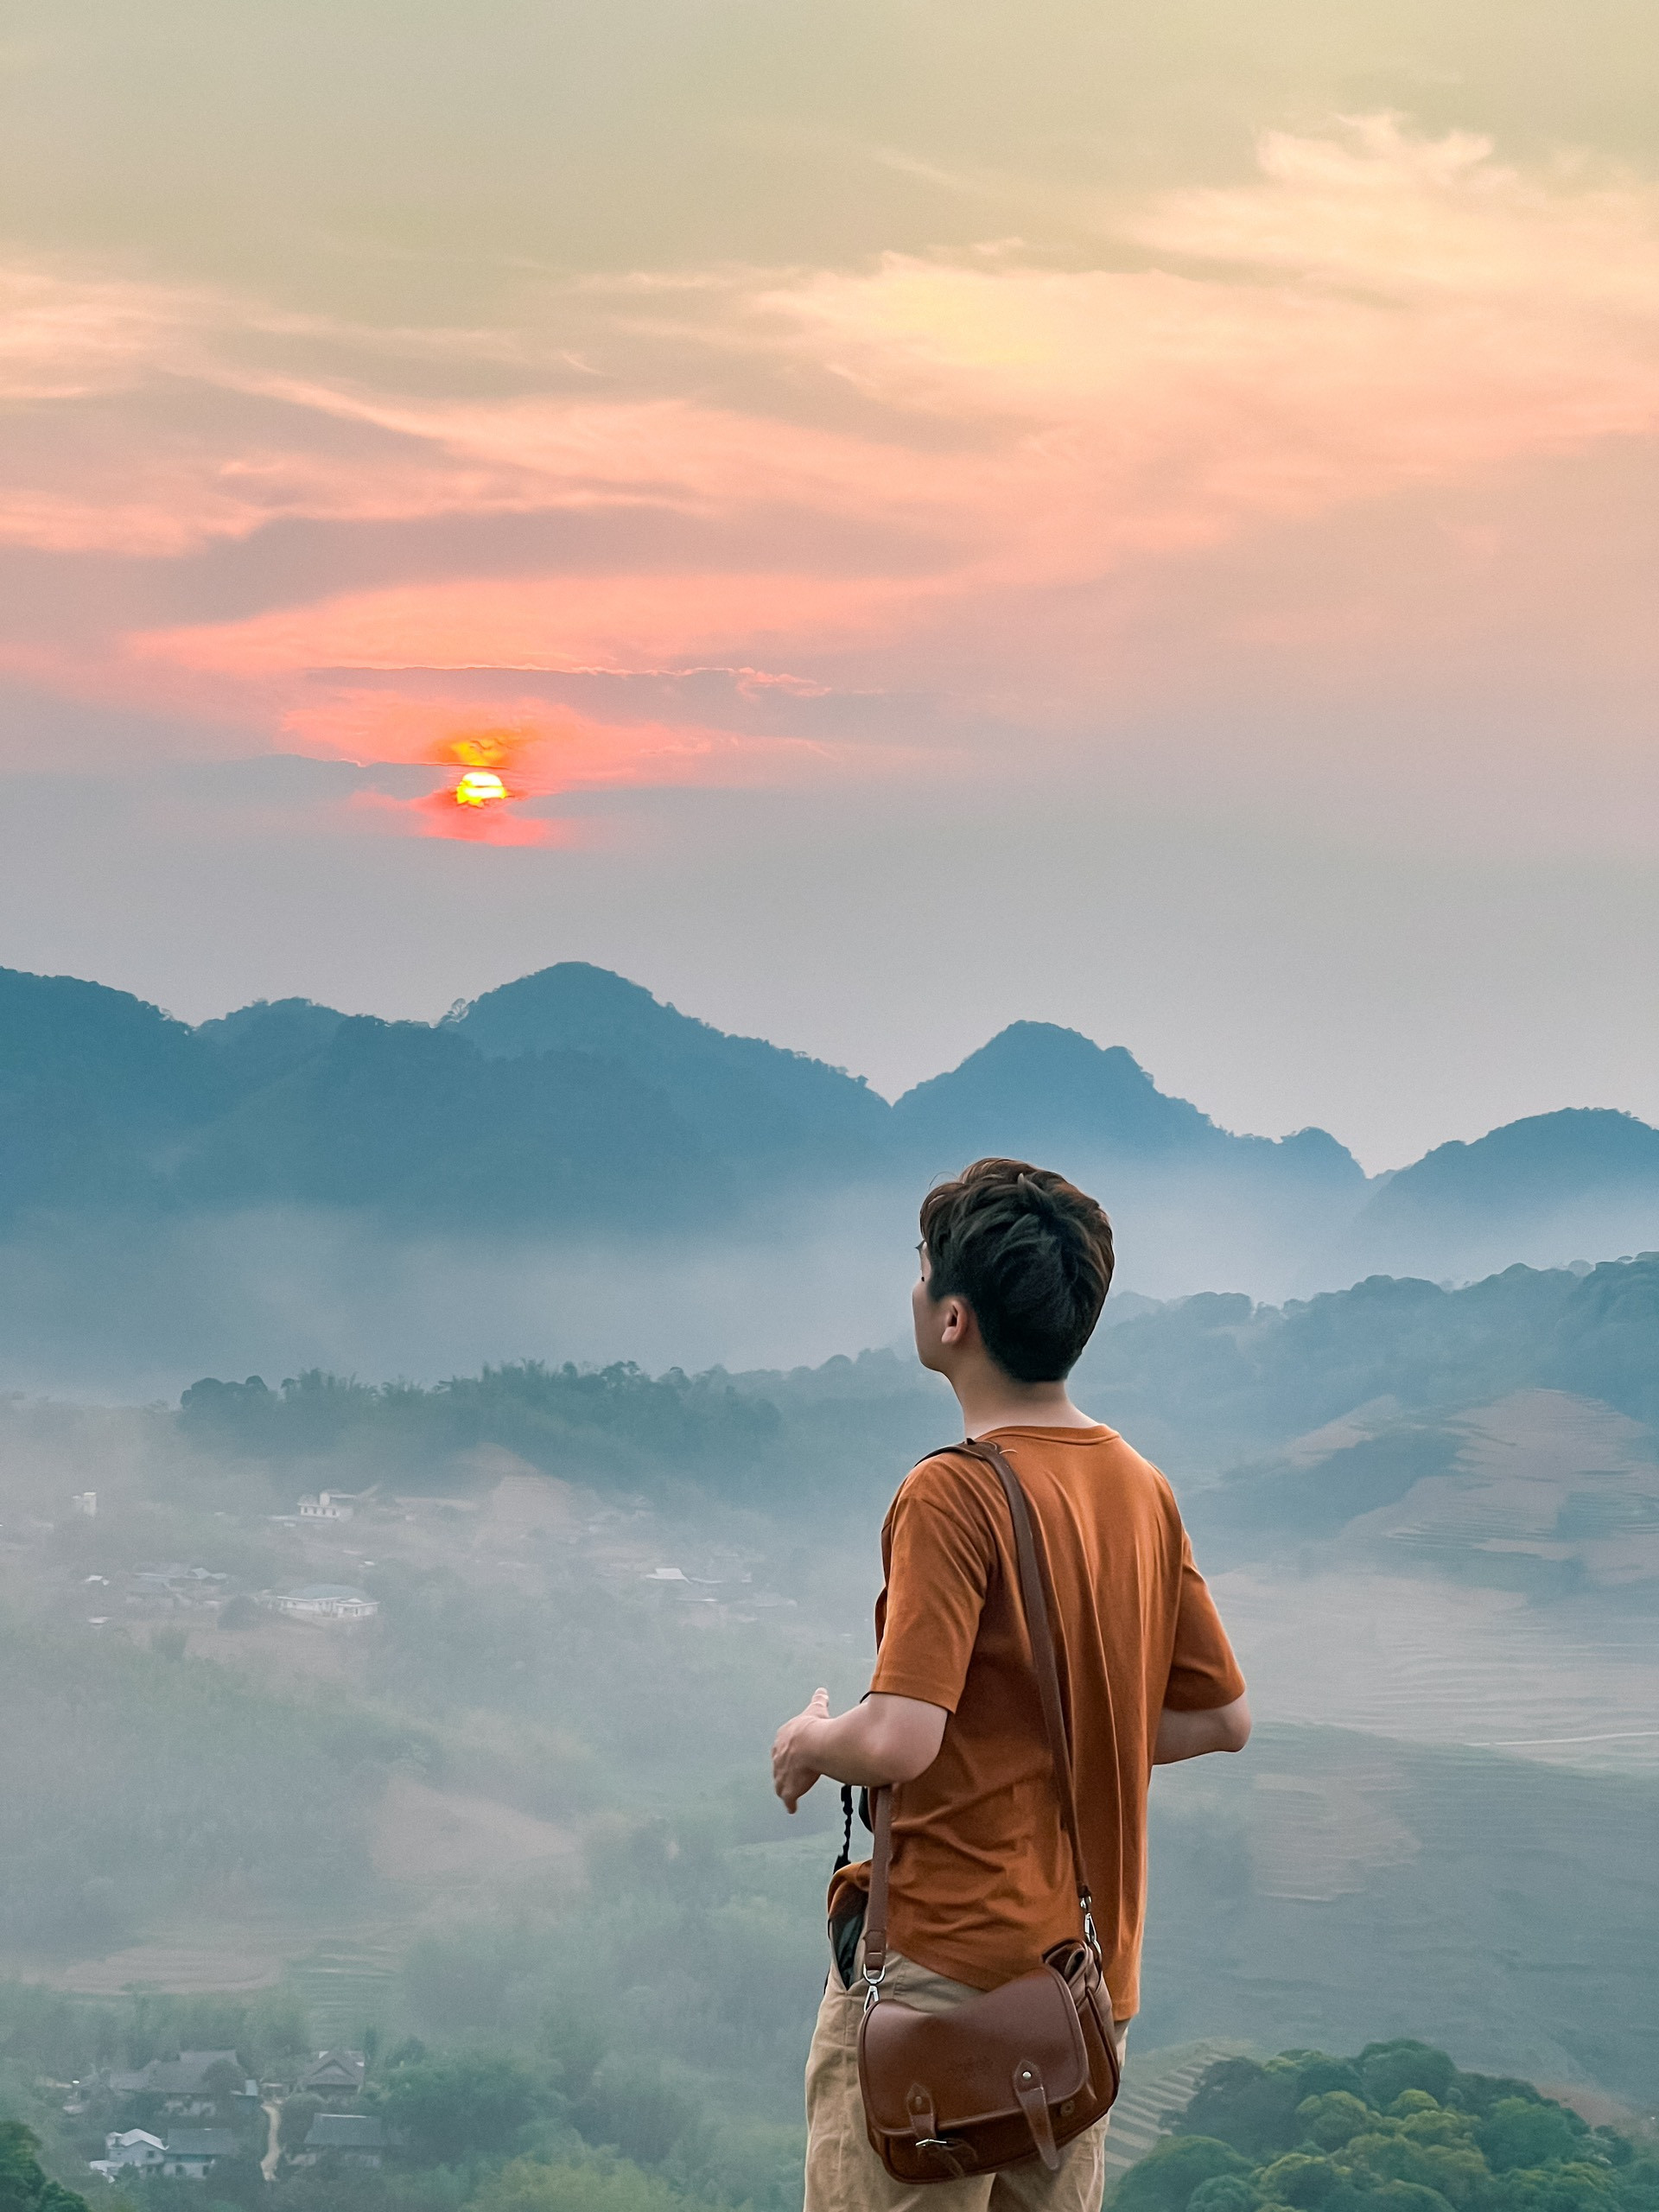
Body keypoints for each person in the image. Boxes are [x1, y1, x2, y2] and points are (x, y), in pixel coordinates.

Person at [771, 1157, 1251, 2212]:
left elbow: (899, 1739)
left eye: (922, 1272)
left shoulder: (952, 1492)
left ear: (954, 1320)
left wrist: (809, 1739)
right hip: (1079, 1989)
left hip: (942, 1989)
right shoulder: (1139, 1486)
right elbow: (1221, 1715)